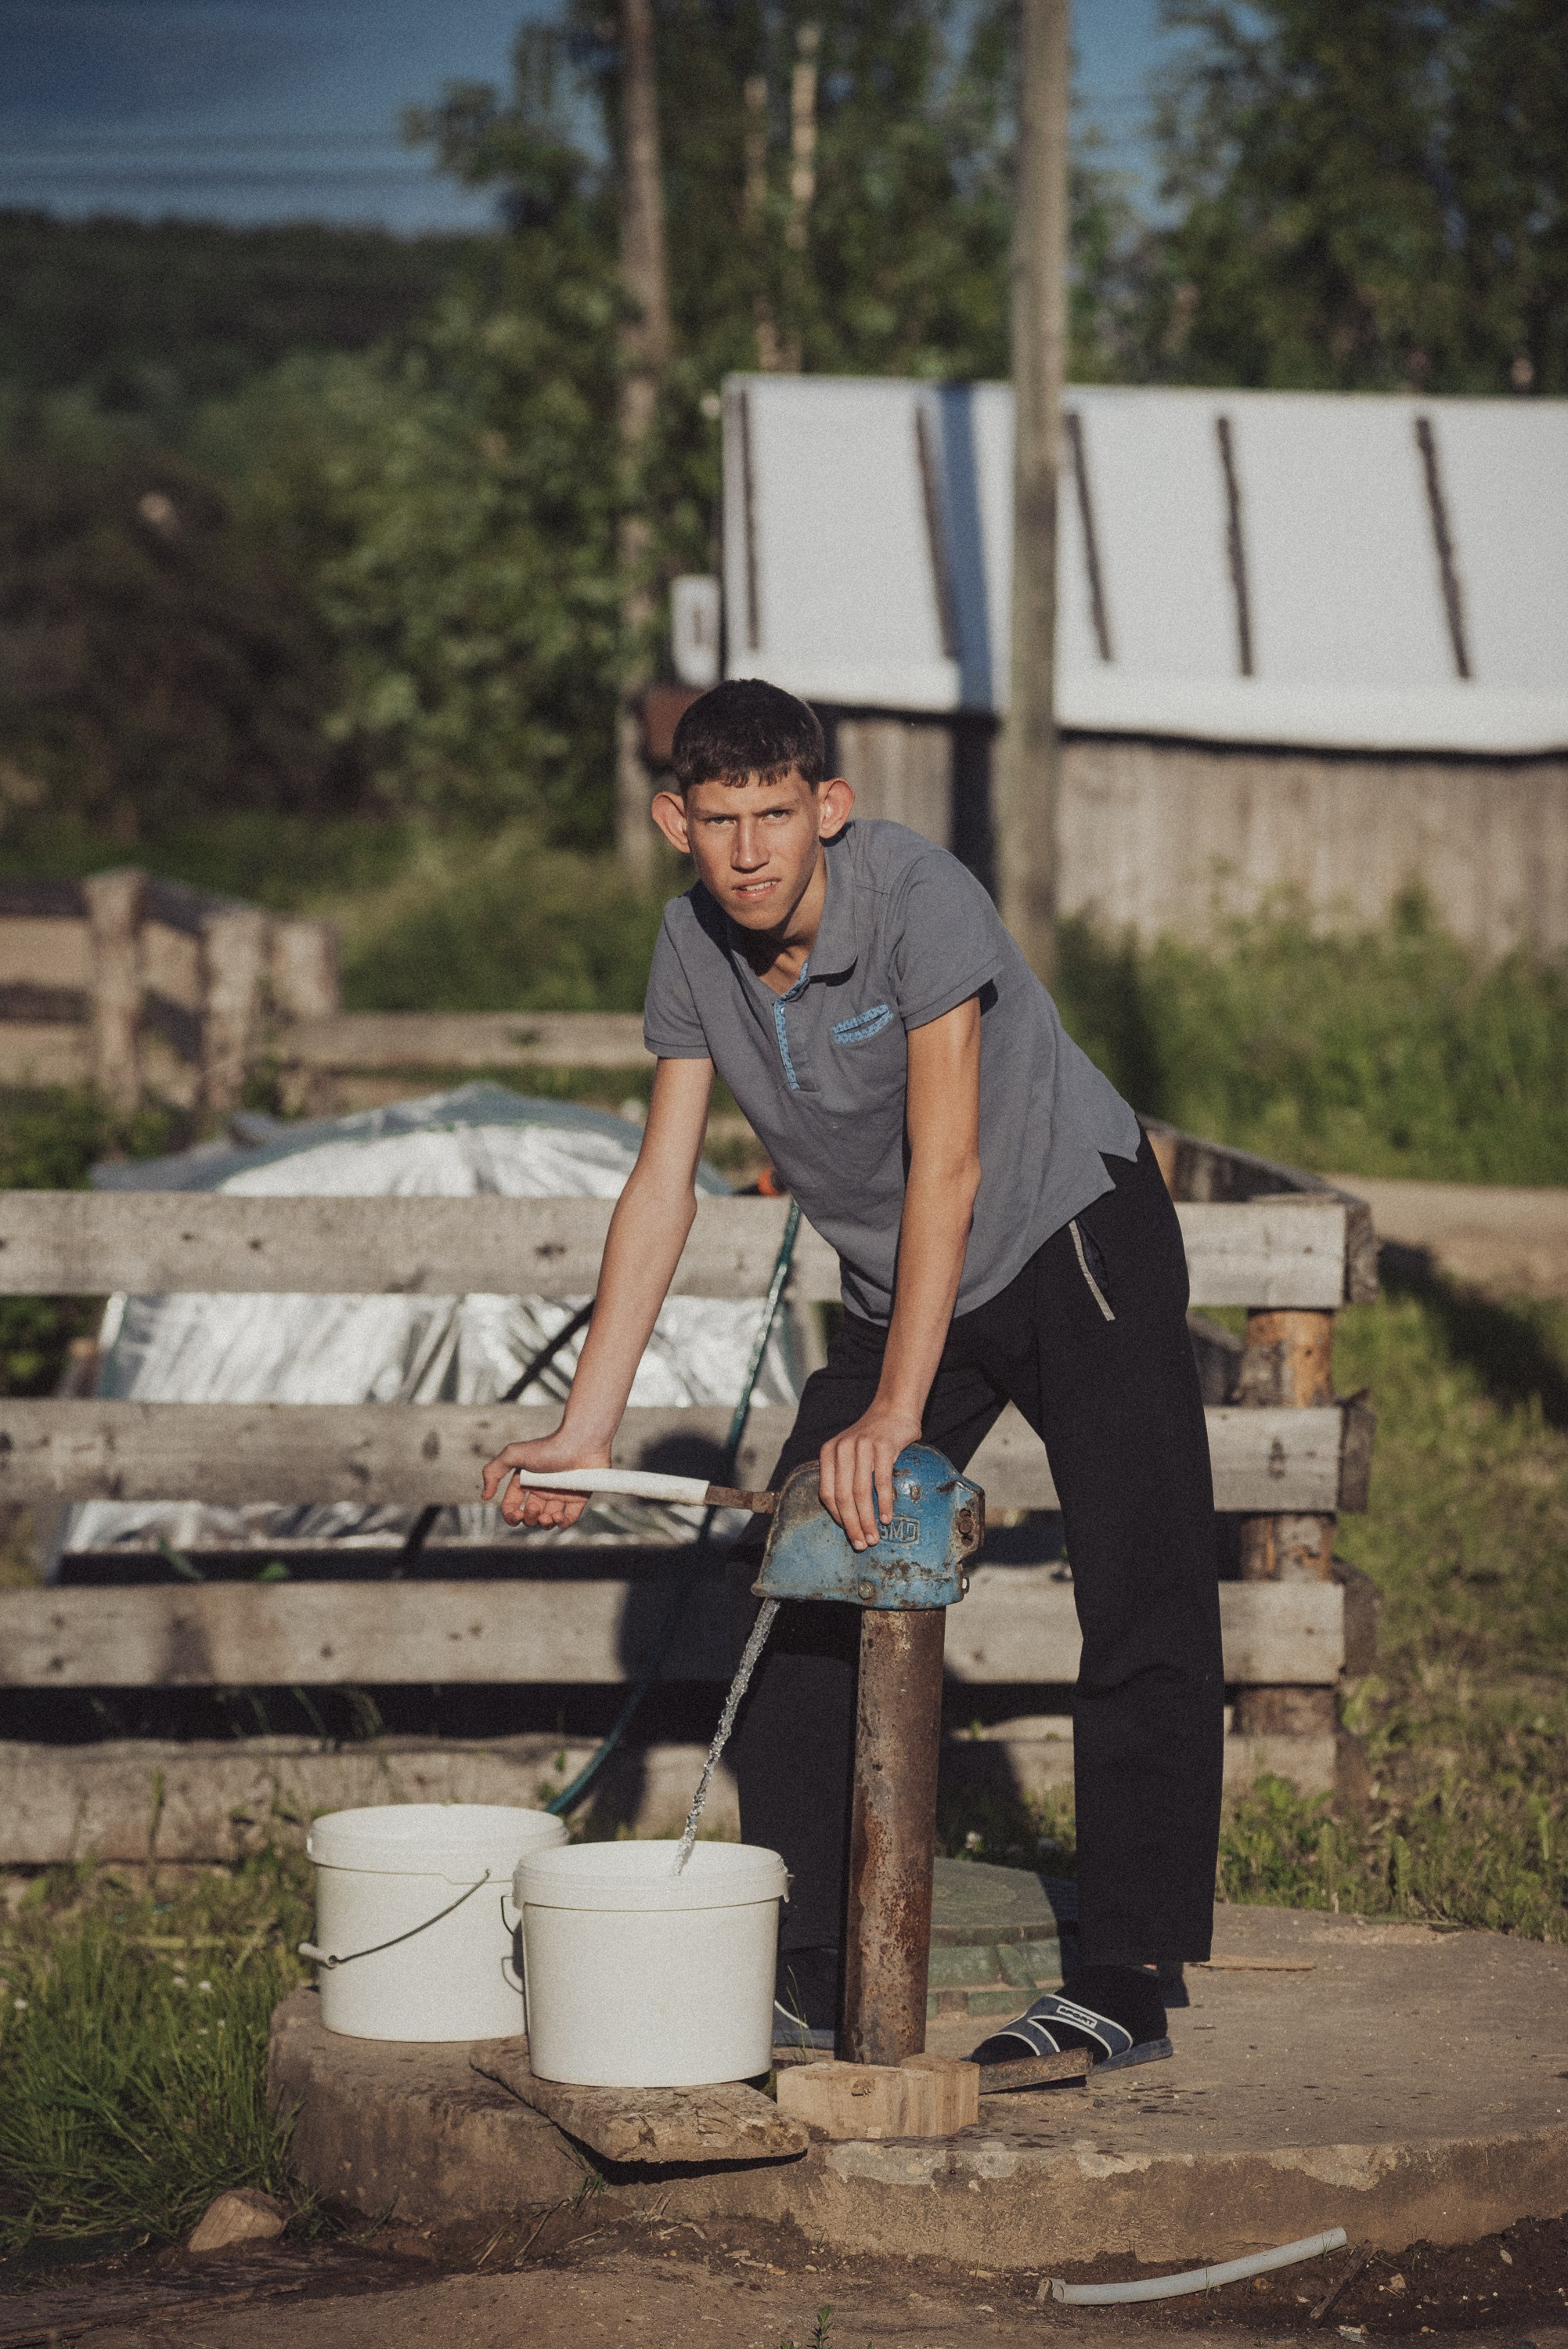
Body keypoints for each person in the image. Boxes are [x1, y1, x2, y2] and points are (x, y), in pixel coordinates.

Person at [482, 677, 1223, 2072]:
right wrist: (585, 1428)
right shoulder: (688, 948)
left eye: (777, 814)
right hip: (911, 1282)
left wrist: (895, 1406)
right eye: (720, 820)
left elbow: (950, 1161)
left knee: (1144, 1580)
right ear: (672, 822)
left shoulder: (916, 897)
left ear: (829, 807)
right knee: (808, 1569)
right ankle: (814, 1968)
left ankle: (1127, 1975)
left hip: (1070, 1231)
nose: (751, 850)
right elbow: (662, 1188)